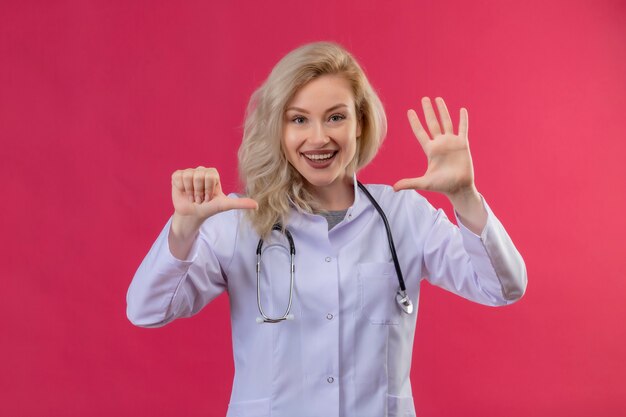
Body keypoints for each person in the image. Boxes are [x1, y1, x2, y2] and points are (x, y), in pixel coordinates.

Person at [126, 41, 527, 417]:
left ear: (359, 123)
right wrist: (182, 230)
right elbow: (146, 310)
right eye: (299, 119)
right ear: (278, 130)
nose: (319, 138)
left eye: (336, 117)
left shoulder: (403, 215)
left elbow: (502, 286)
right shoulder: (237, 224)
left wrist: (465, 196)